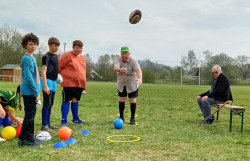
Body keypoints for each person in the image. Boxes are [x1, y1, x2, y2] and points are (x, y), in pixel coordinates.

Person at [18, 33, 42, 147]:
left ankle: (22, 139)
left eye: (35, 44)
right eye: (30, 44)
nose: (33, 46)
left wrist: (38, 91)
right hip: (29, 91)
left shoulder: (32, 57)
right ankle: (29, 139)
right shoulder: (26, 59)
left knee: (30, 115)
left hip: (33, 91)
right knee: (30, 116)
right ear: (25, 45)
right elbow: (28, 77)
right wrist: (35, 92)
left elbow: (36, 77)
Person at [58, 40, 86, 126]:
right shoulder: (66, 55)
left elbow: (83, 69)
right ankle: (64, 120)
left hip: (79, 83)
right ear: (73, 47)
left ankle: (75, 118)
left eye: (80, 48)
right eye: (77, 47)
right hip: (68, 83)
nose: (79, 49)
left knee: (75, 100)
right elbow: (58, 66)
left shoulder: (82, 58)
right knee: (68, 100)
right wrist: (58, 77)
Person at [114, 46, 142, 125]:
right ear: (121, 54)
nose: (124, 56)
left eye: (126, 54)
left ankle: (132, 118)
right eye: (123, 54)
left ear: (129, 53)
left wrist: (140, 78)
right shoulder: (118, 59)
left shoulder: (133, 61)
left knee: (132, 100)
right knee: (121, 99)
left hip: (132, 81)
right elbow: (115, 67)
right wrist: (120, 69)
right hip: (121, 82)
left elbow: (138, 70)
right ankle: (121, 117)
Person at [40, 37, 60, 133]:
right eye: (55, 45)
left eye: (58, 46)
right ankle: (44, 125)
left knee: (51, 103)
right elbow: (43, 72)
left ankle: (48, 123)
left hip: (54, 82)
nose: (57, 48)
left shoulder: (56, 57)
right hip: (47, 81)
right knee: (46, 103)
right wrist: (45, 86)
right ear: (49, 45)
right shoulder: (46, 57)